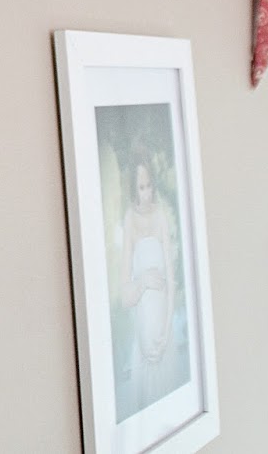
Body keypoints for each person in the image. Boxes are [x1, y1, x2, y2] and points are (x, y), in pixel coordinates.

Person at [119, 153, 181, 411]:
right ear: (134, 189)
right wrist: (143, 281)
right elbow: (125, 297)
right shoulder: (129, 220)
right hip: (143, 339)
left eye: (149, 186)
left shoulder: (161, 216)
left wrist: (166, 331)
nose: (146, 194)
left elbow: (171, 280)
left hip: (163, 336)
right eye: (141, 187)